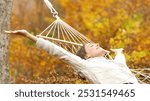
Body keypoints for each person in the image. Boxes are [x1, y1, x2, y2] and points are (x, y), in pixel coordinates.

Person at [5, 30, 139, 84]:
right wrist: (28, 35)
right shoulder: (87, 65)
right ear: (87, 56)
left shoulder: (112, 63)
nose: (96, 44)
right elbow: (59, 52)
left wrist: (119, 52)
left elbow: (121, 62)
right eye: (92, 46)